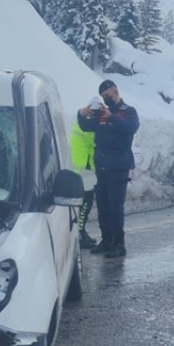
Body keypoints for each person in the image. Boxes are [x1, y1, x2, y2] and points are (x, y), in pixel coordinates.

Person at [78, 80, 139, 258]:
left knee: (115, 206)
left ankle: (118, 244)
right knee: (103, 206)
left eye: (108, 95)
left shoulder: (127, 111)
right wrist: (82, 114)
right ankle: (106, 240)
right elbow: (86, 126)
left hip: (118, 166)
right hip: (102, 166)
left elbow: (130, 128)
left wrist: (111, 116)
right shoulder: (101, 114)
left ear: (115, 92)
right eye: (103, 97)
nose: (107, 99)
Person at [70, 97, 101, 249]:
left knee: (79, 204)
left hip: (78, 167)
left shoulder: (80, 121)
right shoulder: (90, 125)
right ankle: (80, 233)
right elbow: (97, 141)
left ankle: (78, 231)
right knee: (85, 204)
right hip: (86, 169)